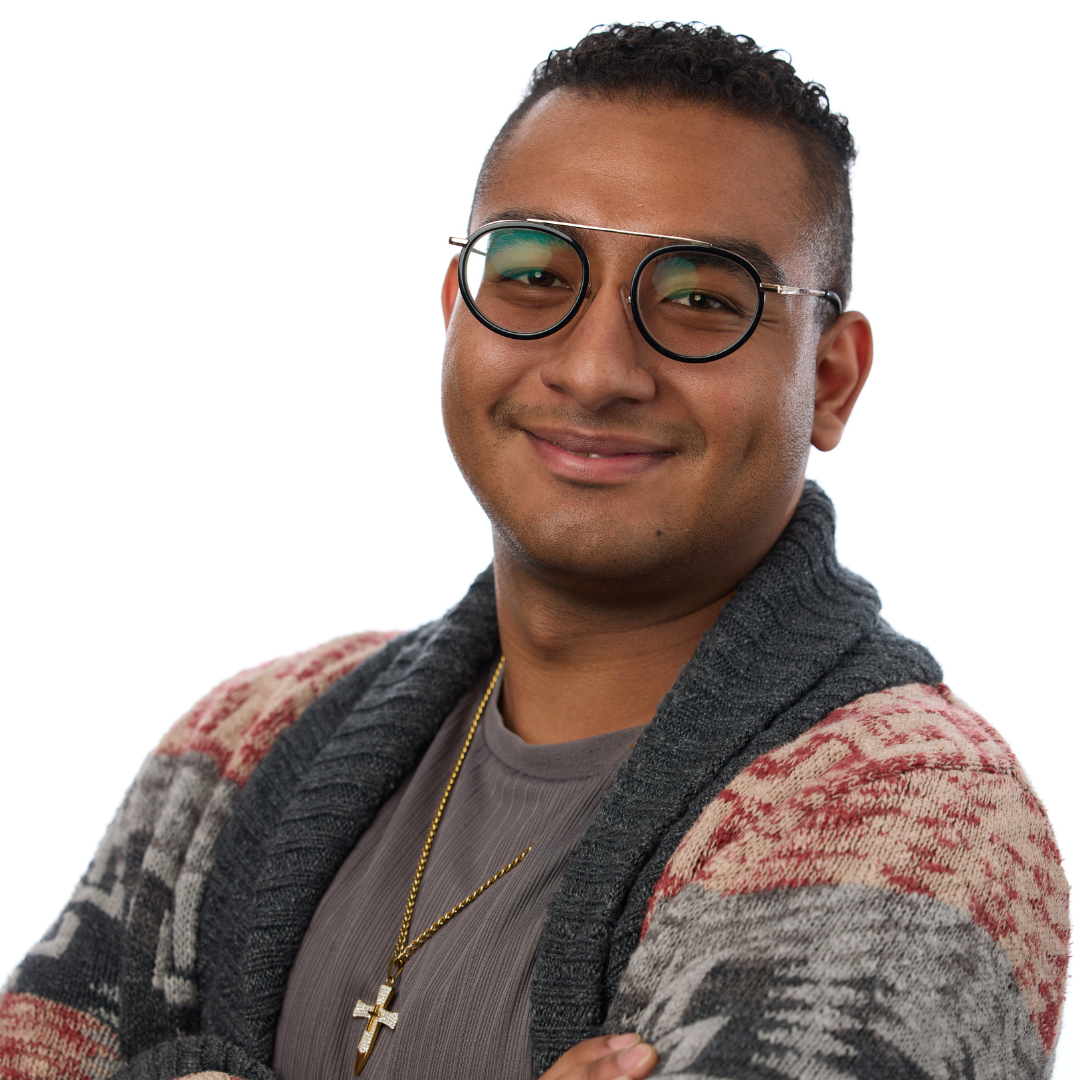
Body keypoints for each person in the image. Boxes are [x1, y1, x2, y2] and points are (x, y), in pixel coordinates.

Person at [0, 21, 1068, 1080]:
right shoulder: (241, 743)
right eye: (531, 274)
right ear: (455, 308)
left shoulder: (916, 812)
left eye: (700, 300)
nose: (597, 367)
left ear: (830, 379)